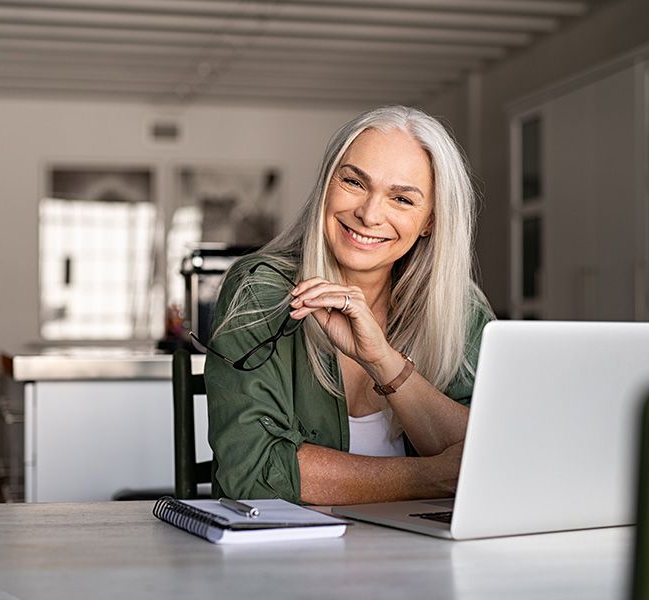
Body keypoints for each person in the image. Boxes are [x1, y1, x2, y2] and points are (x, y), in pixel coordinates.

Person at [197, 106, 494, 505]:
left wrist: (383, 361)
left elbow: (494, 457)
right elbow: (253, 474)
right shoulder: (262, 288)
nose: (369, 214)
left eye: (402, 199)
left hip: (424, 556)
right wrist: (431, 477)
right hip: (283, 558)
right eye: (354, 182)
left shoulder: (459, 307)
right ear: (326, 184)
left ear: (430, 221)